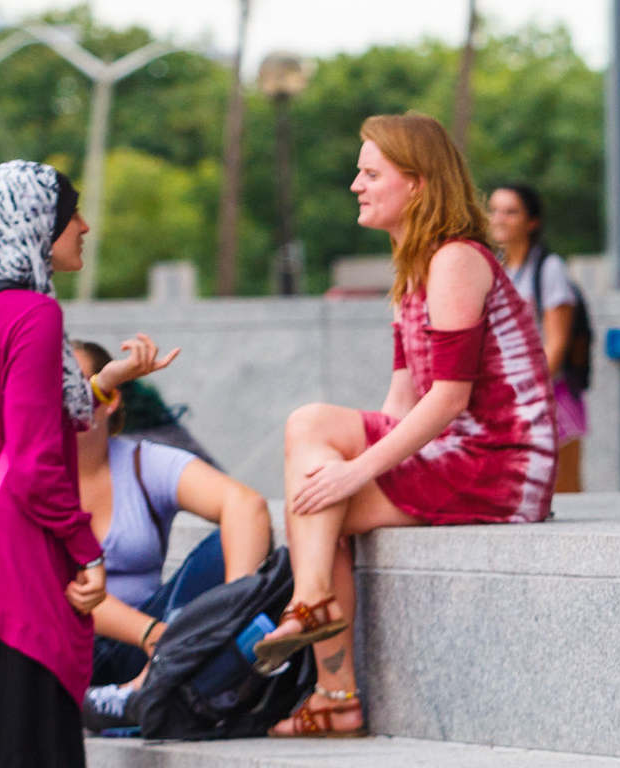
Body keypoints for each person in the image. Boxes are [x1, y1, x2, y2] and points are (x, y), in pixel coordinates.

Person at [256, 113, 557, 738]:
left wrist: (354, 473)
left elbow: (448, 398)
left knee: (316, 461)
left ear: (417, 184)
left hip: (502, 460)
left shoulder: (455, 259)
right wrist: (337, 474)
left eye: (370, 172)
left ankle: (327, 666)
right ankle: (327, 671)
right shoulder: (414, 264)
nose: (354, 185)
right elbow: (403, 393)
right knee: (314, 484)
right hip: (460, 449)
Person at [0, 160, 174, 766]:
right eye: (69, 215)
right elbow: (34, 461)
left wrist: (103, 382)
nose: (83, 226)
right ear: (34, 223)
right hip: (13, 558)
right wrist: (86, 549)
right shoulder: (33, 314)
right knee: (28, 734)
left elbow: (6, 424)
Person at [69, 340, 272, 731]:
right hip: (73, 651)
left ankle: (149, 688)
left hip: (149, 650)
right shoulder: (26, 477)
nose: (62, 397)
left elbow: (246, 506)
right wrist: (154, 635)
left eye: (75, 385)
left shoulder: (142, 463)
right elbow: (59, 588)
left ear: (109, 398)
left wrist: (227, 614)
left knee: (223, 552)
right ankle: (166, 682)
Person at [487, 183, 587, 493]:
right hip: (506, 400)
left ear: (532, 222)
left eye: (511, 211)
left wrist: (528, 393)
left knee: (562, 492)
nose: (499, 218)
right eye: (494, 210)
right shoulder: (494, 268)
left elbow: (556, 342)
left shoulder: (549, 268)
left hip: (550, 397)